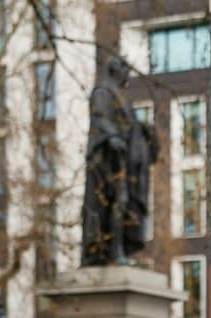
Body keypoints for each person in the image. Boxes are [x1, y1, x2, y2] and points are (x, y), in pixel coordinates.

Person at [81, 56, 157, 265]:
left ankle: (117, 249)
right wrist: (113, 136)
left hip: (124, 161)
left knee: (123, 204)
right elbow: (99, 119)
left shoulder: (122, 98)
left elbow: (128, 126)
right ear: (117, 70)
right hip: (108, 162)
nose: (129, 76)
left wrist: (142, 130)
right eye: (127, 70)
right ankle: (112, 251)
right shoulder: (104, 92)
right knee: (116, 203)